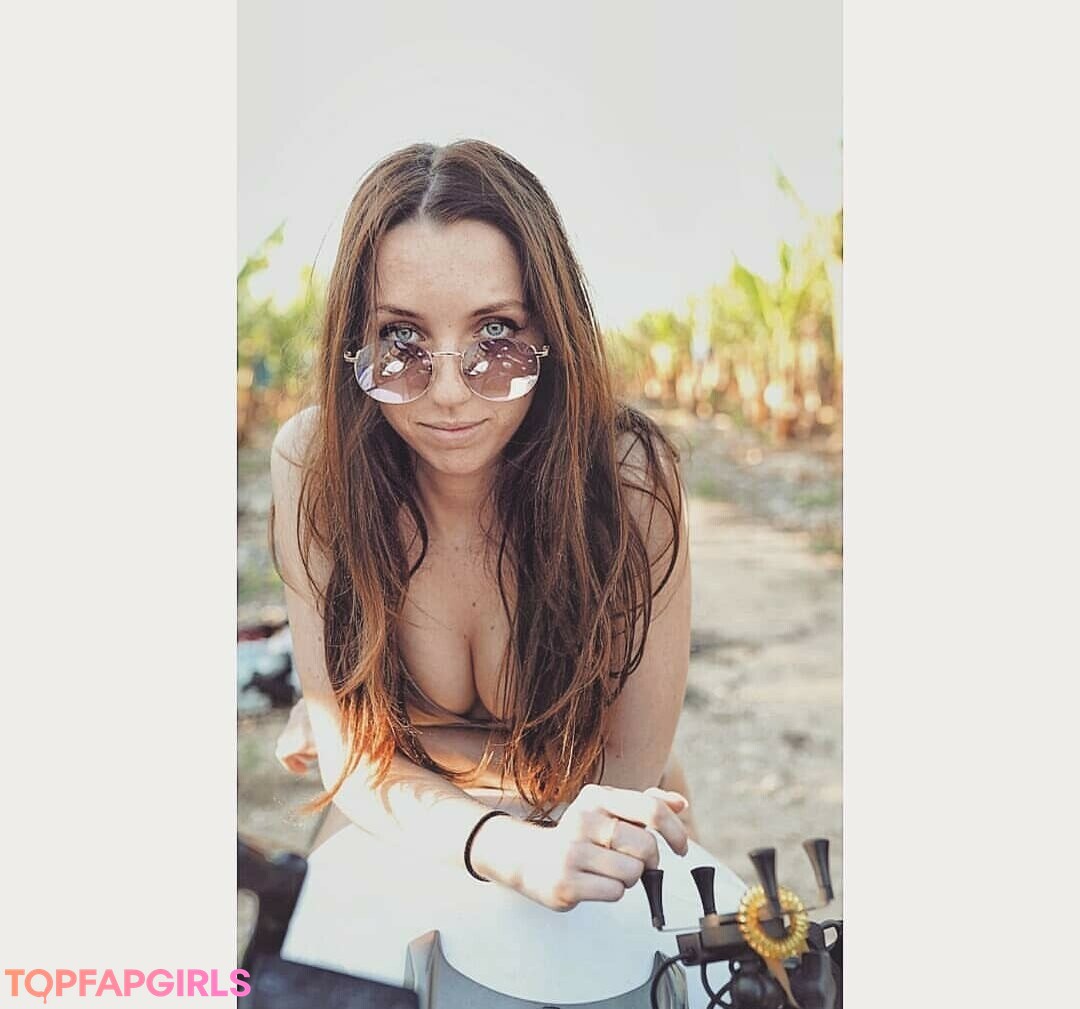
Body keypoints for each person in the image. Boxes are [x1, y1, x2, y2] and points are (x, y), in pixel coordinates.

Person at [268, 140, 745, 1006]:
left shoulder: (629, 479)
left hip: (589, 828)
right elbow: (351, 756)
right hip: (411, 837)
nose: (450, 390)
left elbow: (624, 770)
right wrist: (501, 838)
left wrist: (403, 749)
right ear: (355, 341)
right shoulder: (316, 464)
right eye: (402, 339)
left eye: (496, 335)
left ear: (550, 331)